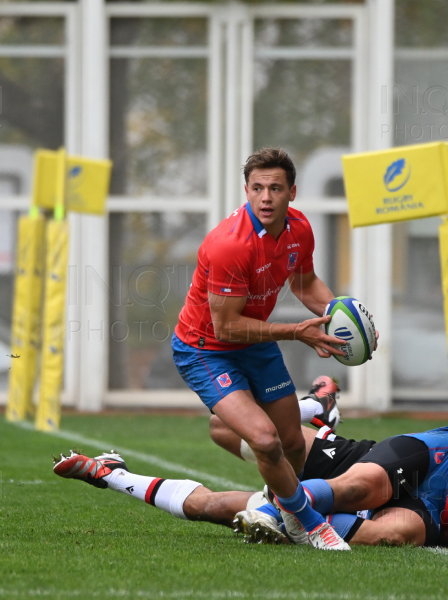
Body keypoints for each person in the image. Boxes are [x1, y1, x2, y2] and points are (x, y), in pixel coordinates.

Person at [54, 353, 448, 560]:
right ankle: (313, 415)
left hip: (430, 510)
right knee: (221, 425)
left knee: (391, 534)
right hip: (423, 459)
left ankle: (112, 474)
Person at [170, 147, 354, 550]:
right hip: (206, 348)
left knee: (291, 442)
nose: (266, 197)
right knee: (265, 441)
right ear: (246, 191)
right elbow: (227, 326)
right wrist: (295, 332)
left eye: (275, 188)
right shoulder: (229, 245)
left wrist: (342, 322)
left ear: (292, 192)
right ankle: (311, 523)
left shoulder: (299, 228)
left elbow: (305, 283)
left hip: (255, 342)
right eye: (257, 188)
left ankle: (283, 512)